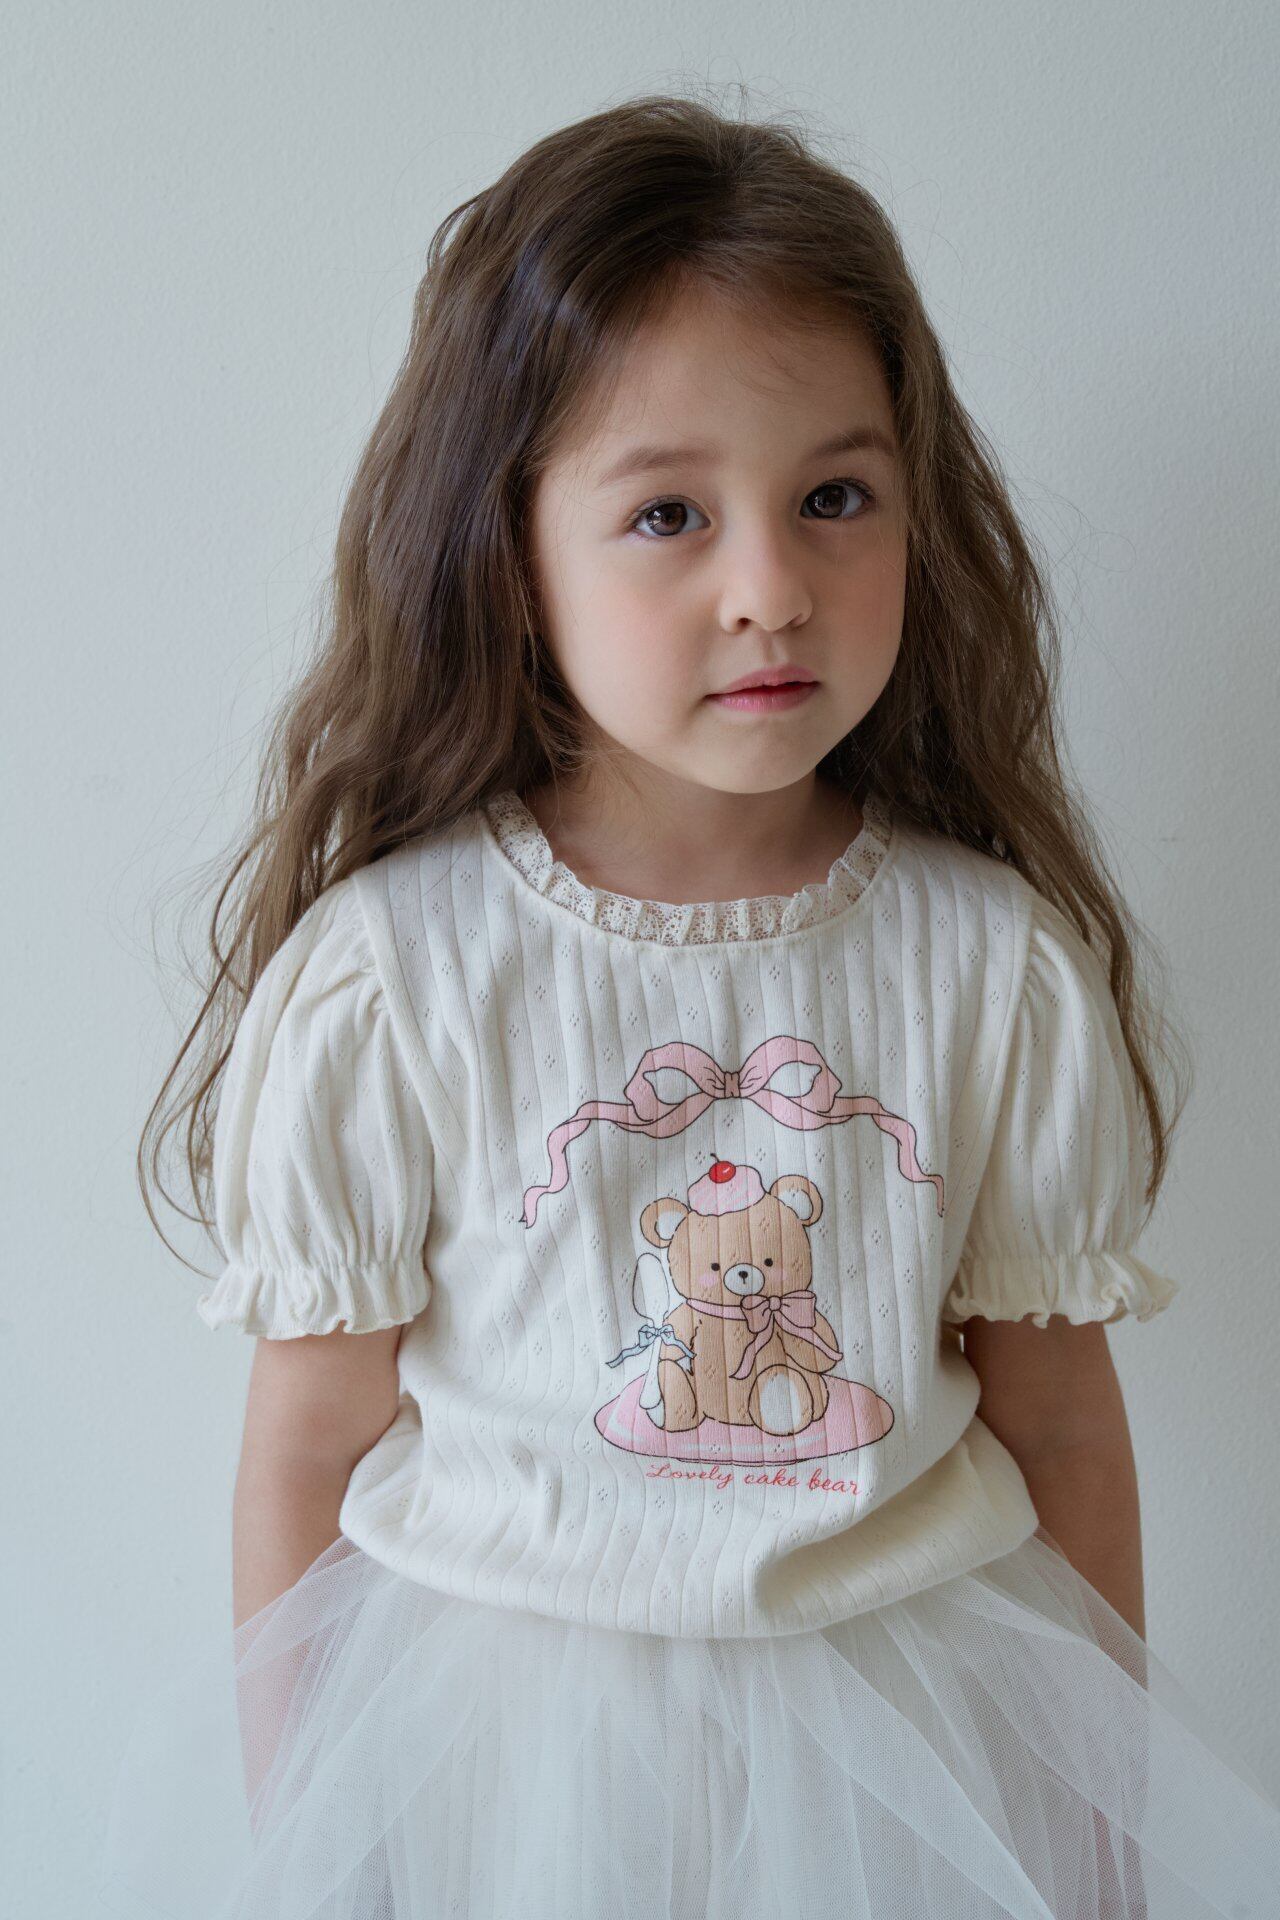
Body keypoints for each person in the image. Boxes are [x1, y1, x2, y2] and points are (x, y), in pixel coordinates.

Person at [99, 91, 1280, 1920]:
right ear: (509, 551)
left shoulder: (987, 966)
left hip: (914, 1740)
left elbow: (1060, 1426)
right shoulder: (401, 974)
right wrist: (323, 1856)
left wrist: (1098, 1834)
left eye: (835, 498)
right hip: (514, 1754)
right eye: (667, 512)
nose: (769, 590)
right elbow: (307, 1447)